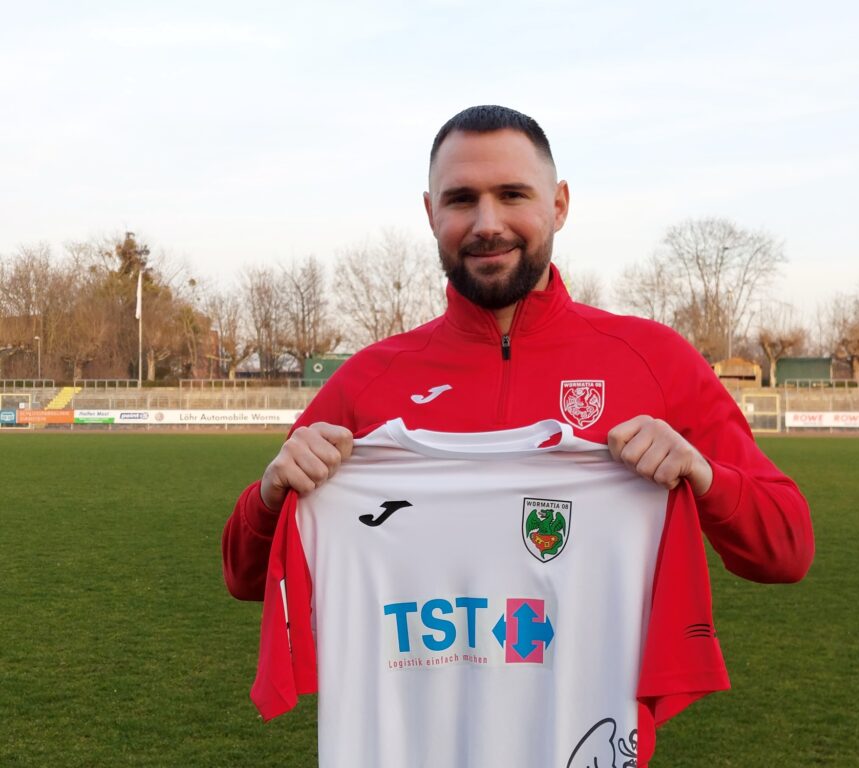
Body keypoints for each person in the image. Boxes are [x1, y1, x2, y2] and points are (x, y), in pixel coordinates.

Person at [222, 105, 813, 602]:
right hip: (415, 706)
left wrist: (704, 476)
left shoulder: (655, 359)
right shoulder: (369, 379)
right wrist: (273, 495)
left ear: (558, 205)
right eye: (461, 200)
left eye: (512, 195)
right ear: (430, 213)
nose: (487, 224)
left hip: (591, 707)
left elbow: (786, 551)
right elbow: (245, 577)